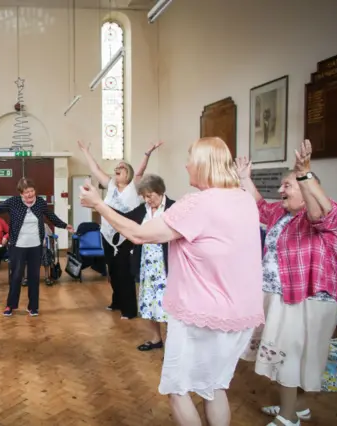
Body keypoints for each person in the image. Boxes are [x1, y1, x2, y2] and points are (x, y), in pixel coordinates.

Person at [79, 137, 265, 426]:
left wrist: (98, 205)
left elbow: (139, 234)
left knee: (178, 390)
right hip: (240, 314)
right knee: (214, 388)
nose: (186, 164)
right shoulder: (244, 199)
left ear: (203, 165)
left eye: (191, 158)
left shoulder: (197, 204)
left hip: (201, 314)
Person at [237, 140, 337, 426]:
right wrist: (245, 178)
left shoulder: (324, 218)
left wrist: (305, 174)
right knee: (286, 354)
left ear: (307, 189)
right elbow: (259, 205)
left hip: (309, 299)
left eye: (288, 185)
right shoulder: (282, 214)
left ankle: (288, 418)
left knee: (291, 357)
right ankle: (296, 405)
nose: (281, 190)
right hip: (282, 296)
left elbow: (322, 212)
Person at [76, 139, 162, 319]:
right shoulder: (111, 186)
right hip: (107, 235)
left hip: (126, 236)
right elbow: (96, 169)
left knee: (124, 273)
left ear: (128, 173)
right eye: (117, 167)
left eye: (122, 167)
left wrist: (148, 152)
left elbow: (141, 169)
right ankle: (117, 301)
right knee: (112, 271)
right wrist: (85, 150)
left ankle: (129, 309)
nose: (118, 168)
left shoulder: (134, 186)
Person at [0, 177, 73, 317]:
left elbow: (51, 216)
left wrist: (64, 225)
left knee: (34, 277)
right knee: (16, 276)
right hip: (17, 246)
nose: (30, 194)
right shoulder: (13, 202)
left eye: (32, 191)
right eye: (26, 192)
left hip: (35, 246)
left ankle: (33, 307)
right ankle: (10, 305)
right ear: (21, 193)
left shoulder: (40, 203)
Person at [122, 174, 174, 351]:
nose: (147, 200)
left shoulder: (173, 208)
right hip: (146, 264)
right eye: (144, 196)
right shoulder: (143, 209)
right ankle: (156, 339)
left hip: (166, 266)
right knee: (149, 302)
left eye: (150, 195)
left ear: (160, 192)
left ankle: (173, 344)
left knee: (167, 305)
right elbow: (124, 219)